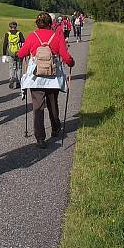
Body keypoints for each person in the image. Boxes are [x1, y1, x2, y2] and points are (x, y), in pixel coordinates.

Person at [17, 12, 74, 149]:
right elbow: (65, 56)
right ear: (50, 23)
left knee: (37, 107)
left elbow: (21, 53)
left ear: (37, 24)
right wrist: (71, 63)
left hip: (36, 78)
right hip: (53, 77)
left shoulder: (32, 36)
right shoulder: (56, 36)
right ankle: (55, 128)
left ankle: (40, 138)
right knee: (52, 104)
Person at [2, 21, 25, 89]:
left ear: (9, 27)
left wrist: (4, 55)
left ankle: (12, 78)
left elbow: (5, 44)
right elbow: (23, 43)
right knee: (19, 67)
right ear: (16, 27)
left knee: (11, 67)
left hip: (10, 53)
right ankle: (18, 82)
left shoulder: (7, 34)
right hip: (18, 53)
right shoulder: (19, 33)